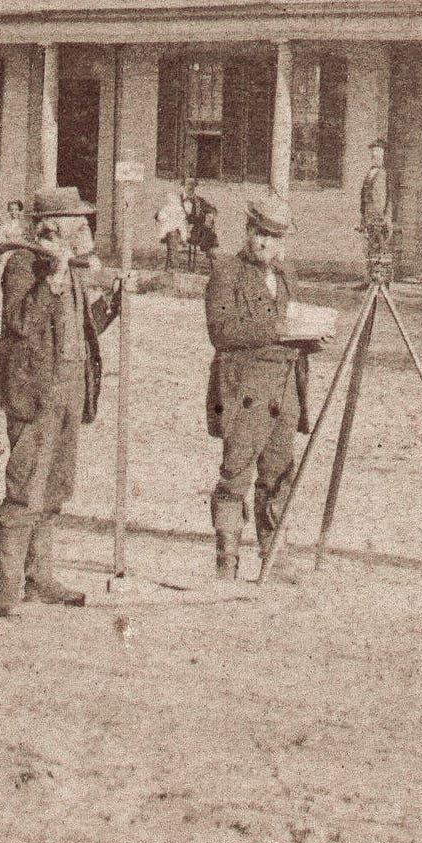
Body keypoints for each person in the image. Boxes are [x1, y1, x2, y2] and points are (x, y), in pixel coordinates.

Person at [0, 186, 121, 619]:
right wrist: (52, 281)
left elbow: (84, 329)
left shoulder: (71, 270)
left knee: (55, 488)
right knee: (24, 488)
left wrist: (113, 301)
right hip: (33, 395)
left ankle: (39, 578)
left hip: (69, 394)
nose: (86, 232)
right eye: (78, 225)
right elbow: (21, 323)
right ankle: (6, 591)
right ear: (52, 230)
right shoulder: (23, 266)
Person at [204, 192, 322, 577]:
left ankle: (274, 556)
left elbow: (291, 326)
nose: (264, 243)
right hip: (246, 387)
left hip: (286, 386)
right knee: (236, 471)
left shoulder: (287, 275)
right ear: (248, 231)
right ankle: (227, 561)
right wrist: (275, 329)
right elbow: (221, 332)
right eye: (259, 234)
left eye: (273, 237)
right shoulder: (227, 272)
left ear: (284, 241)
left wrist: (311, 338)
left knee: (279, 471)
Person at [359, 137, 394, 270]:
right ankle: (369, 280)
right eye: (373, 155)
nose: (375, 157)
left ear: (384, 156)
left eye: (378, 155)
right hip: (369, 216)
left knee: (380, 250)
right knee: (370, 249)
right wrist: (364, 215)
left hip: (379, 218)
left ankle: (380, 282)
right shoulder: (370, 173)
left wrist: (385, 217)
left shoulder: (384, 174)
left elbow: (388, 198)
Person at [181, 177, 219, 268]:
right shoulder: (178, 199)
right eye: (188, 184)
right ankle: (208, 249)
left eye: (192, 185)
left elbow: (211, 209)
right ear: (183, 186)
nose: (190, 187)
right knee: (203, 229)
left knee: (207, 227)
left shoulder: (199, 200)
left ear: (195, 187)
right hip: (182, 228)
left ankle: (207, 248)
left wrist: (211, 214)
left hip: (196, 229)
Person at [155, 187, 188, 270]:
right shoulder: (166, 209)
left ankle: (173, 262)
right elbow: (160, 218)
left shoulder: (180, 209)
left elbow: (182, 223)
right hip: (170, 232)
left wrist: (184, 238)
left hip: (178, 232)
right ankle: (173, 263)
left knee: (175, 235)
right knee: (172, 236)